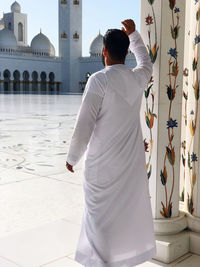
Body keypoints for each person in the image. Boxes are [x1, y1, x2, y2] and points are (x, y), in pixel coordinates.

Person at [66, 19, 156, 267]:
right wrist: (134, 35)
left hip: (101, 168)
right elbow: (146, 63)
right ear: (125, 52)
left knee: (98, 221)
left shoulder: (99, 80)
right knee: (120, 218)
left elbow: (84, 125)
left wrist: (72, 157)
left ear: (104, 51)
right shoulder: (137, 78)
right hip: (129, 166)